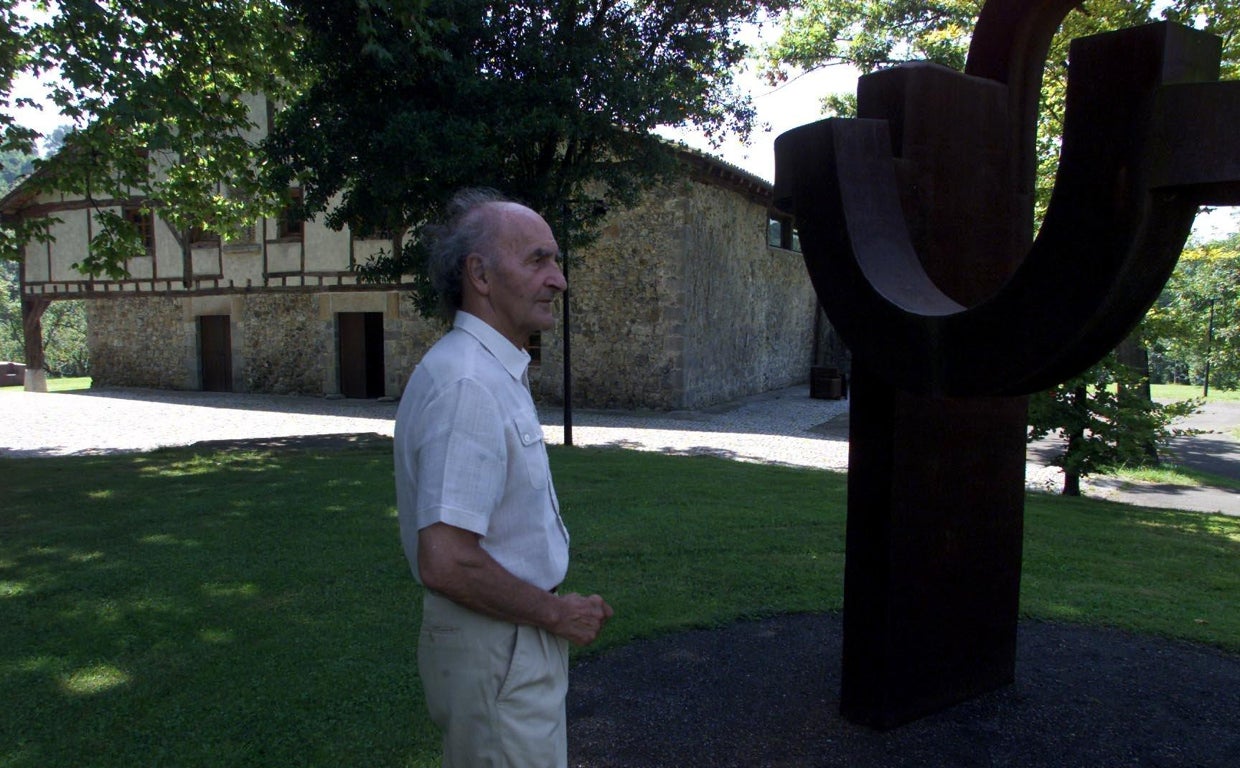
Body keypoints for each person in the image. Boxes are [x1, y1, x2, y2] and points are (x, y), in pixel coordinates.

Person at [394, 188, 614, 767]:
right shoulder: (469, 383)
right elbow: (446, 559)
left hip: (503, 641)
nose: (559, 279)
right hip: (501, 647)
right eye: (538, 259)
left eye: (556, 260)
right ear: (481, 275)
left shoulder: (484, 372)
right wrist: (554, 613)